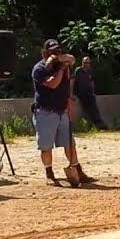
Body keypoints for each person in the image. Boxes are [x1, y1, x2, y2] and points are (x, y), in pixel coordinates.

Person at [31, 38, 92, 187]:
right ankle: (49, 174)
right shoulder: (39, 69)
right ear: (44, 52)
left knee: (69, 143)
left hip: (61, 110)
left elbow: (70, 63)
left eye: (57, 51)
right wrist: (60, 68)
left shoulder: (63, 64)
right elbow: (53, 84)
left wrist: (68, 104)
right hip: (45, 112)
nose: (55, 53)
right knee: (46, 146)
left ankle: (77, 169)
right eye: (52, 51)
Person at [73, 56, 109, 130]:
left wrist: (93, 91)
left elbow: (92, 82)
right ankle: (95, 124)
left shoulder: (90, 71)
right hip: (80, 92)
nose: (86, 64)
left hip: (89, 92)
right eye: (85, 62)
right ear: (82, 63)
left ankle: (99, 124)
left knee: (93, 107)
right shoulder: (78, 70)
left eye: (88, 63)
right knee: (88, 107)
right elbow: (73, 81)